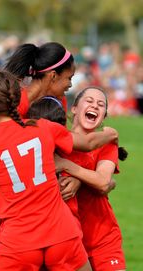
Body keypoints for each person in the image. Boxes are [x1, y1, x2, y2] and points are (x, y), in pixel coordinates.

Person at [0, 43, 117, 271]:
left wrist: (80, 178)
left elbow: (62, 148)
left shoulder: (56, 103)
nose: (70, 85)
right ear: (52, 76)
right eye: (68, 78)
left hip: (30, 212)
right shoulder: (14, 103)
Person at [53, 87, 127, 271]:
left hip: (104, 240)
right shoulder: (57, 141)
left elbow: (102, 182)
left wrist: (68, 168)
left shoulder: (106, 144)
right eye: (89, 101)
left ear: (104, 116)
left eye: (101, 104)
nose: (95, 105)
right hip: (65, 241)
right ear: (74, 109)